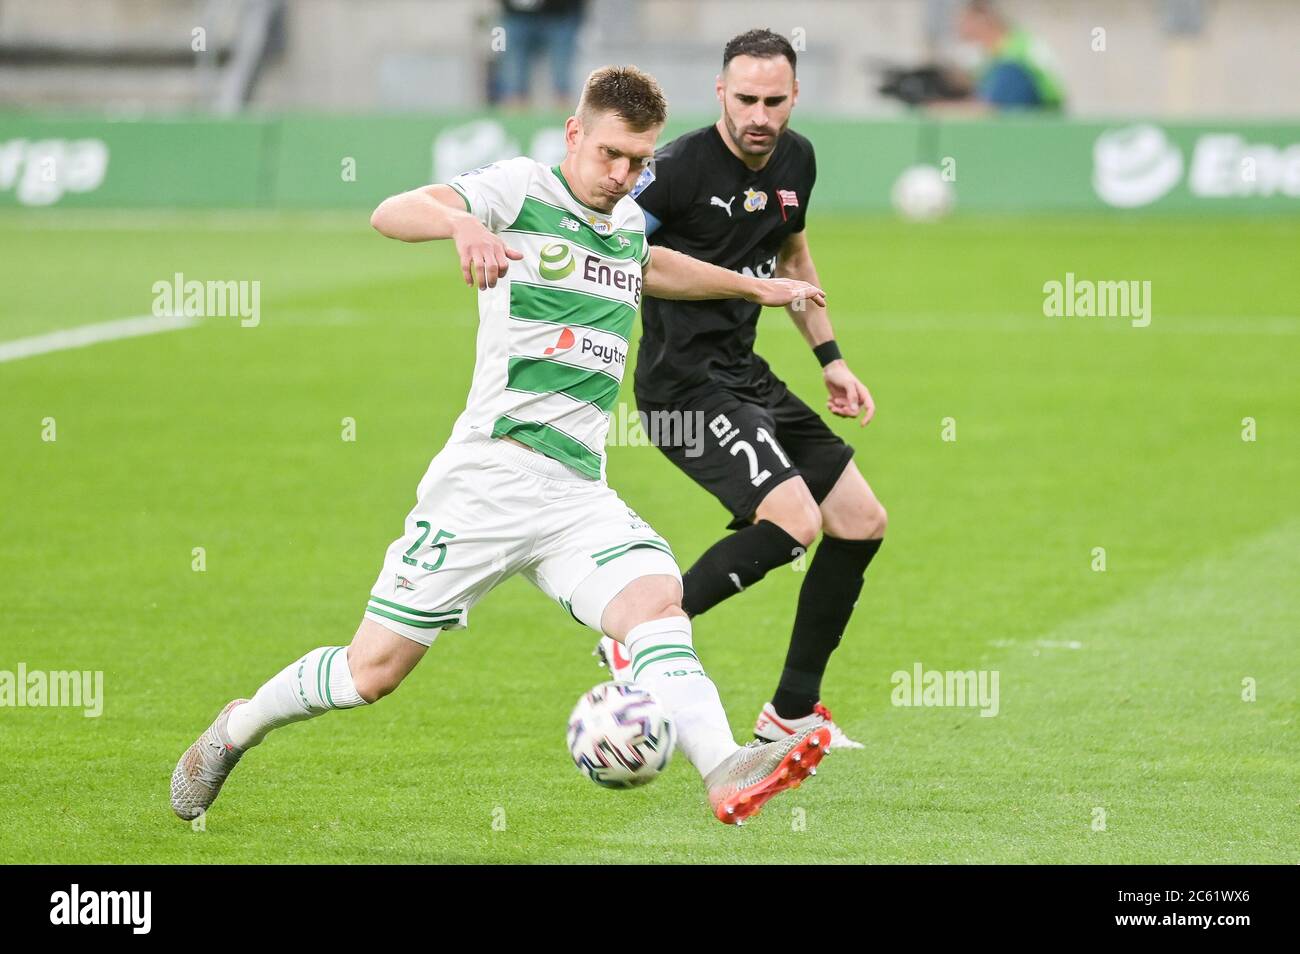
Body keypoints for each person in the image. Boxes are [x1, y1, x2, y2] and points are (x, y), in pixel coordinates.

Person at [169, 65, 831, 828]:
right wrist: (460, 222)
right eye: (611, 155)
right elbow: (391, 211)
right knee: (371, 672)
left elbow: (645, 266)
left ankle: (723, 770)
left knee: (658, 602)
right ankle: (236, 728)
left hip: (578, 492)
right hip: (488, 482)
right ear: (574, 134)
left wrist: (756, 288)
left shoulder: (621, 222)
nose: (624, 176)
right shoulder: (521, 189)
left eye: (640, 162)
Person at [596, 29, 887, 751]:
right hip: (680, 391)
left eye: (774, 100)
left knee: (859, 519)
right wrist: (746, 287)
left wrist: (831, 358)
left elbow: (793, 252)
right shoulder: (678, 169)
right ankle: (643, 636)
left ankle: (791, 713)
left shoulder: (798, 160)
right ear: (721, 93)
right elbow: (628, 256)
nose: (759, 115)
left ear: (794, 98)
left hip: (743, 374)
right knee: (795, 522)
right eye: (746, 99)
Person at [938, 0, 1066, 112]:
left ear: (982, 19)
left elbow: (988, 110)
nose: (959, 27)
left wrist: (937, 110)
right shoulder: (993, 57)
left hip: (1037, 124)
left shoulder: (1012, 58)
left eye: (964, 20)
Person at [496, 0, 587, 110]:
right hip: (517, 14)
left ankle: (562, 118)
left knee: (562, 79)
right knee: (513, 81)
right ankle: (515, 118)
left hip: (561, 13)